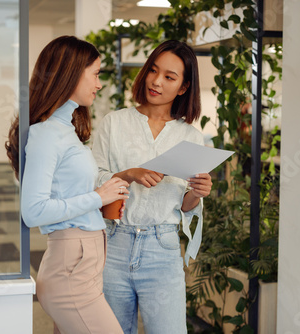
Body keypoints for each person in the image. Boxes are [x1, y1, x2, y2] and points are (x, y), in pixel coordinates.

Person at [6, 35, 128, 334]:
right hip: (71, 270)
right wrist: (98, 198)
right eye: (96, 74)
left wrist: (101, 203)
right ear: (71, 72)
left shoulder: (65, 128)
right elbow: (33, 212)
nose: (99, 84)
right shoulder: (47, 133)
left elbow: (66, 193)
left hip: (82, 265)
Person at [92, 40, 212, 333]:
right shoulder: (114, 123)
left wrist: (196, 193)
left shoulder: (191, 138)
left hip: (162, 249)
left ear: (183, 87)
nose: (156, 81)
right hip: (114, 244)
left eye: (169, 77)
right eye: (153, 71)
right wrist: (129, 174)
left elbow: (184, 206)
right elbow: (93, 181)